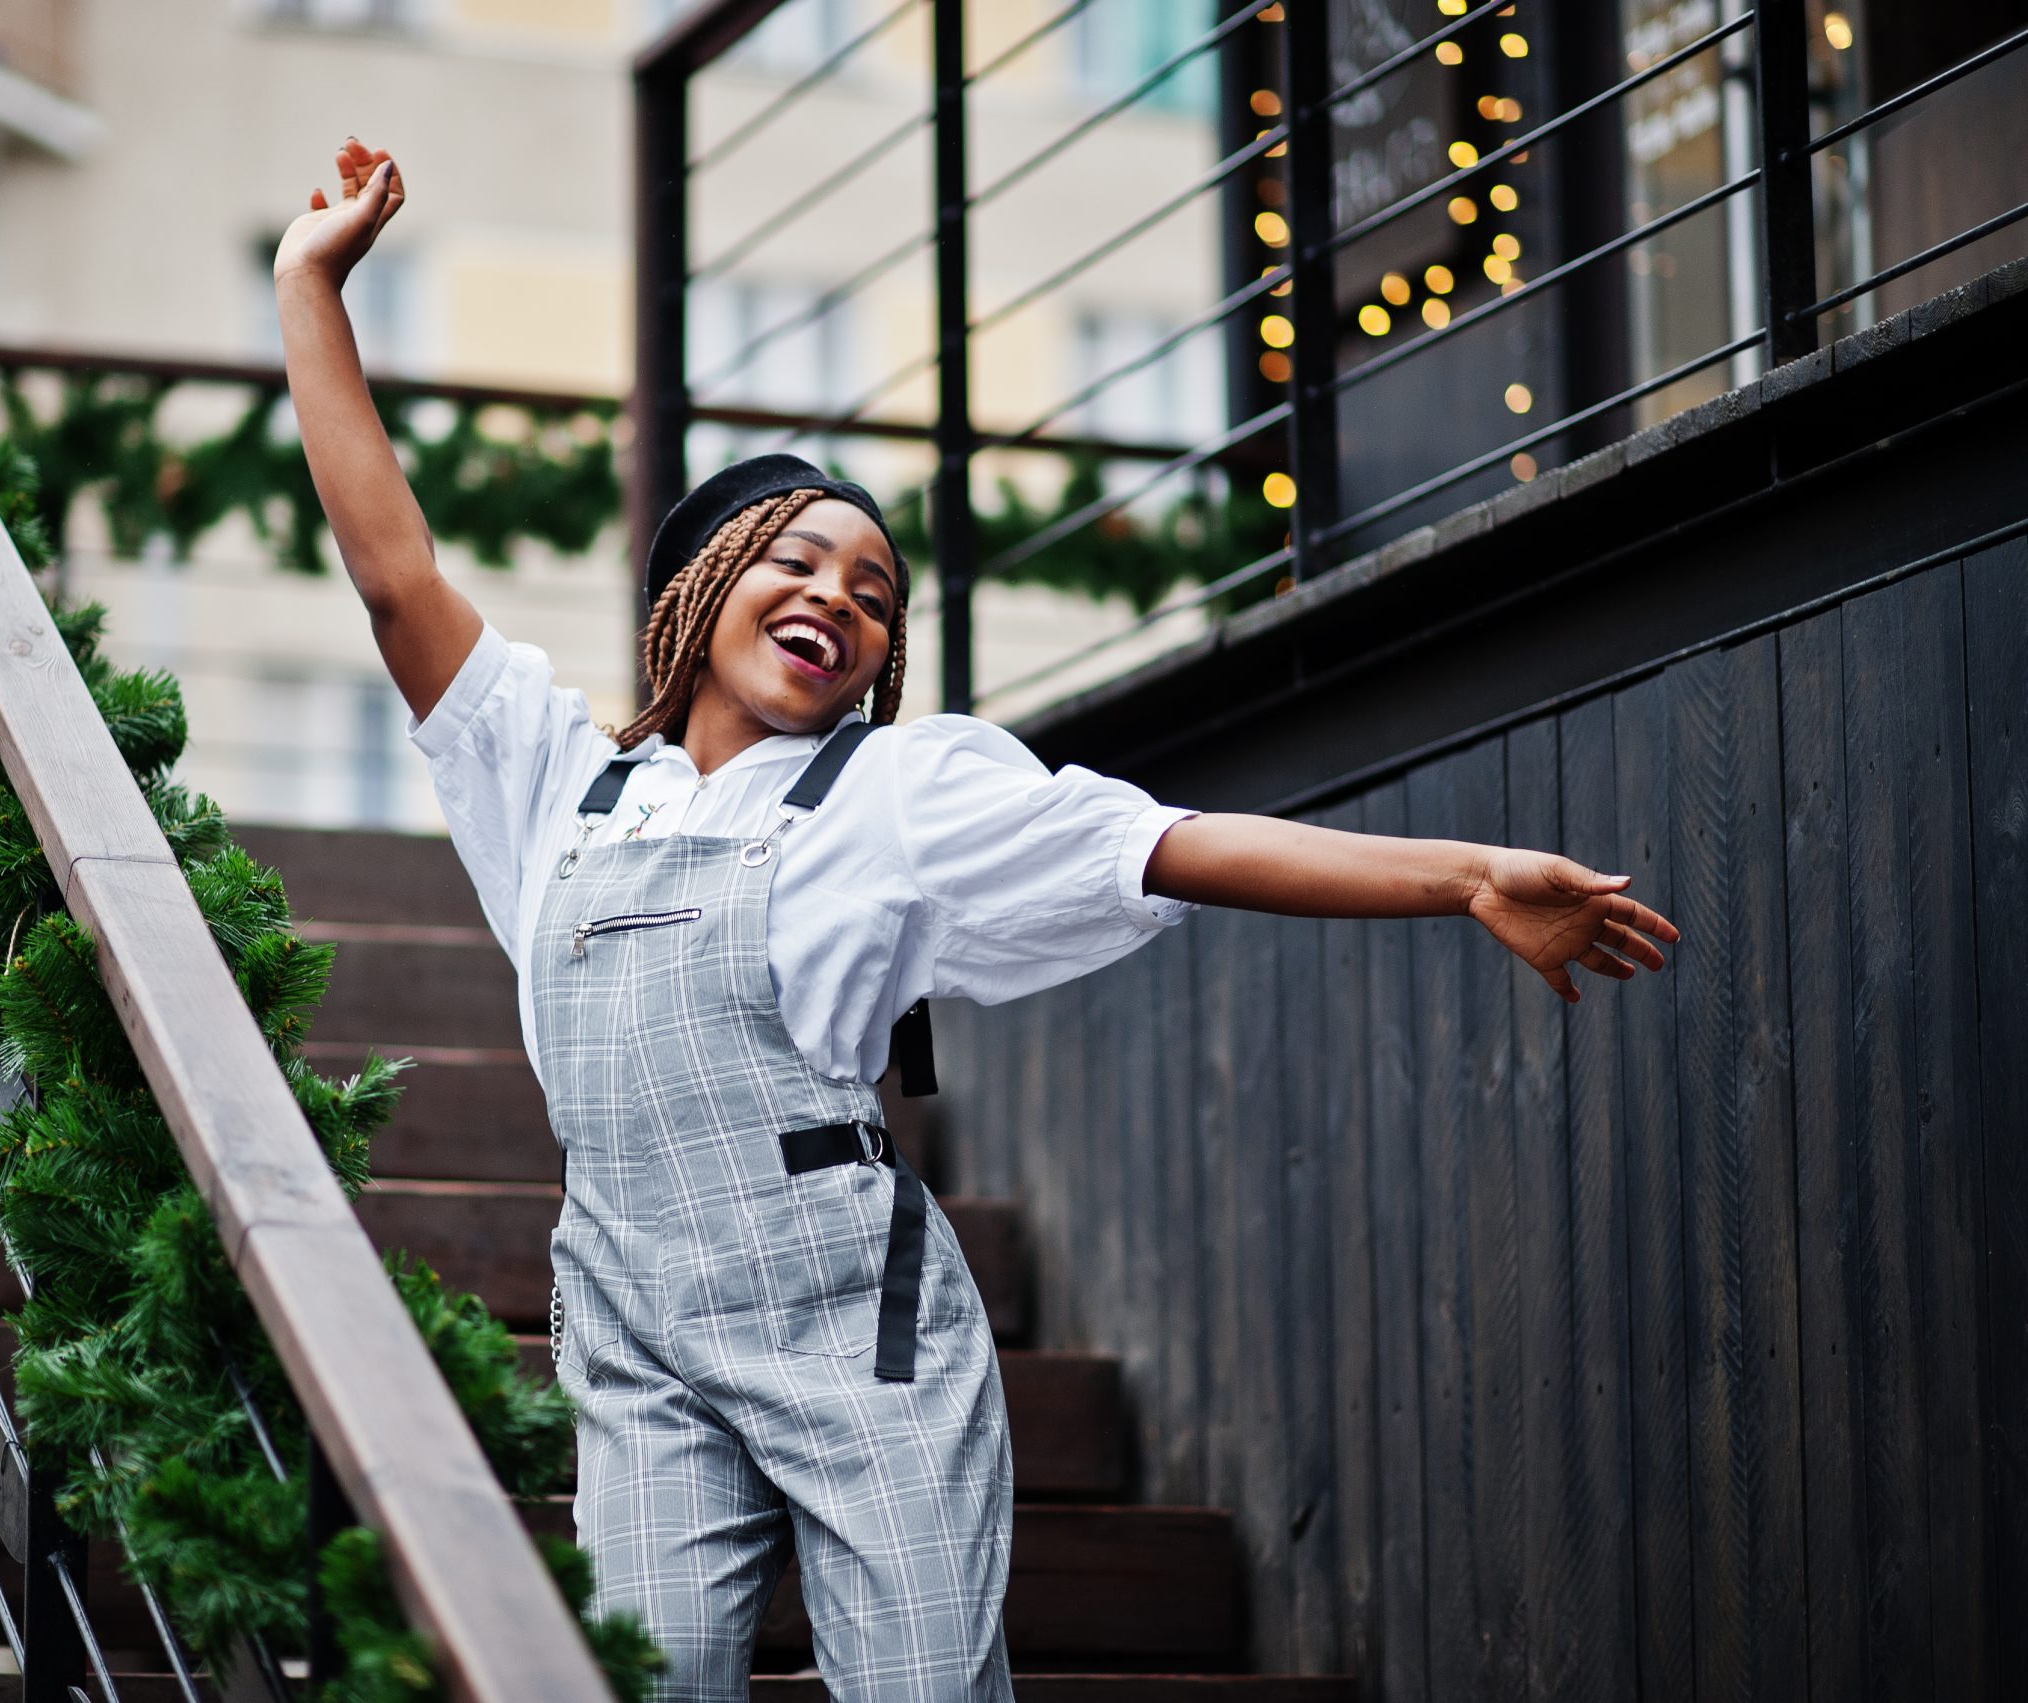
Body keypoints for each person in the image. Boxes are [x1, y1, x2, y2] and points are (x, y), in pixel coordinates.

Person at [273, 138, 1677, 1703]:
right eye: (795, 558)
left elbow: (1170, 845)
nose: (839, 598)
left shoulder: (901, 793)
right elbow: (397, 580)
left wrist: (1467, 874)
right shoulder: (552, 784)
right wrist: (308, 285)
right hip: (637, 1325)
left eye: (873, 593)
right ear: (695, 587)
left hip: (851, 1328)